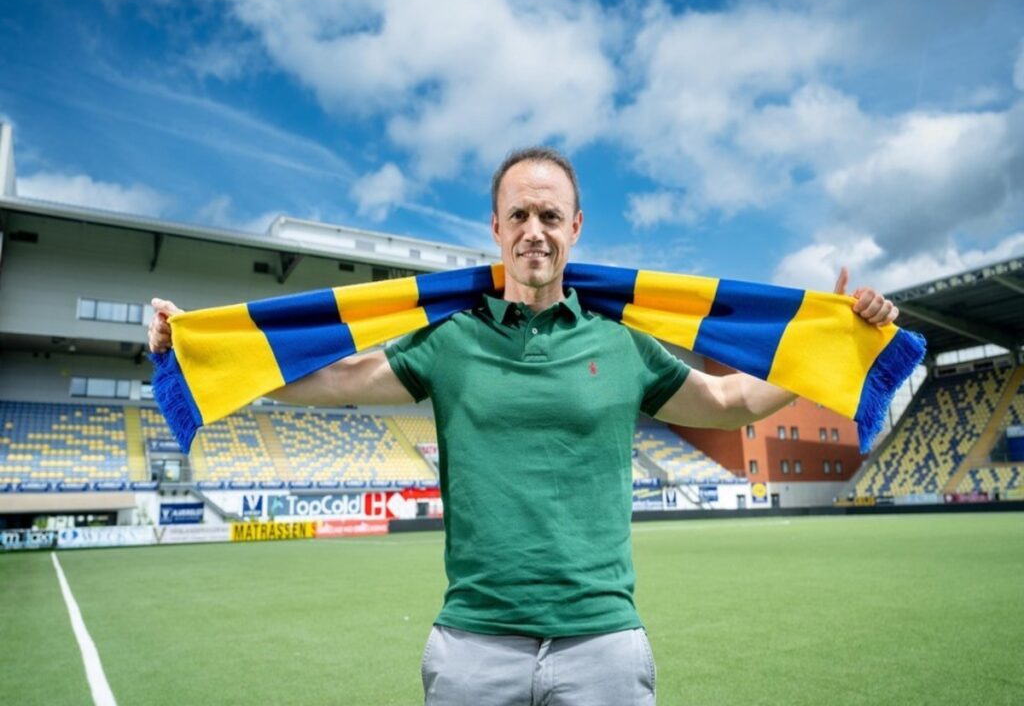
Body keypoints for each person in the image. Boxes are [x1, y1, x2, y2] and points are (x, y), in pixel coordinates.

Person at [148, 146, 897, 705]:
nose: (534, 231)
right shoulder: (450, 339)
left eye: (549, 216)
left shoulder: (623, 343)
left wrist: (837, 344)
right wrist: (204, 352)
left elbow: (730, 402)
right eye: (519, 215)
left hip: (603, 647)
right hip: (473, 649)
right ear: (496, 228)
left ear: (575, 227)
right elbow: (339, 380)